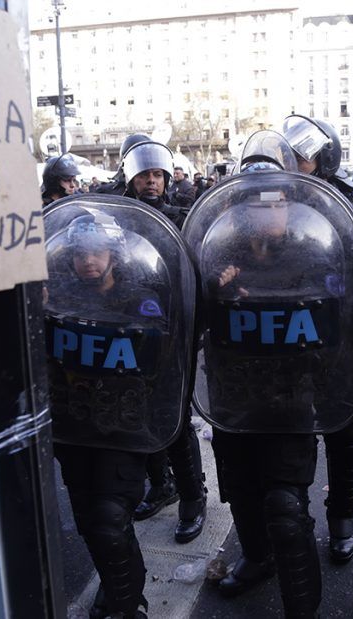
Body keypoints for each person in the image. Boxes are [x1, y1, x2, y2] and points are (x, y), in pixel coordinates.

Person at [188, 157, 353, 618]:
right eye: (257, 204)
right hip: (232, 396)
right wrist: (212, 292)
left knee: (286, 509)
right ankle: (256, 558)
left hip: (290, 396)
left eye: (277, 203)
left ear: (290, 206)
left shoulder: (314, 249)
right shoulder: (215, 252)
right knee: (242, 492)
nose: (268, 212)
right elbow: (184, 326)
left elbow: (342, 326)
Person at [43, 209, 195, 619]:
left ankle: (130, 606)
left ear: (113, 253)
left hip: (125, 426)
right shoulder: (57, 295)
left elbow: (164, 362)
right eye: (80, 254)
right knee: (90, 522)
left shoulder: (142, 299)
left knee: (111, 519)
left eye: (96, 252)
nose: (88, 261)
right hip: (75, 427)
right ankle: (117, 583)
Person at [283, 114, 353, 563]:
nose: (292, 162)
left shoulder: (352, 209)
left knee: (342, 436)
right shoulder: (272, 203)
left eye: (301, 155)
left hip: (340, 346)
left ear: (324, 157)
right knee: (291, 436)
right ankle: (293, 522)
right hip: (287, 344)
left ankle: (342, 522)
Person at [118, 139, 208, 544]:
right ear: (130, 177)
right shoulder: (117, 216)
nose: (151, 182)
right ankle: (162, 484)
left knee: (173, 419)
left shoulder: (182, 218)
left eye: (157, 175)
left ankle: (193, 495)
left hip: (173, 330)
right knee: (139, 411)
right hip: (131, 327)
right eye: (144, 175)